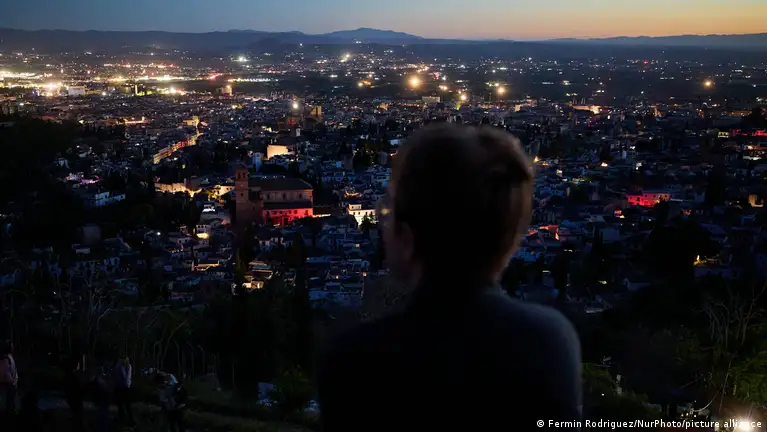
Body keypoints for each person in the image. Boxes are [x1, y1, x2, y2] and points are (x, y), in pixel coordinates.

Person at [317, 124, 582, 431]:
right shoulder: (549, 343)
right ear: (507, 239)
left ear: (407, 236)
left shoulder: (356, 361)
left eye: (388, 211)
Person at [63, 357, 85, 431]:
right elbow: (78, 388)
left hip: (72, 398)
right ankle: (78, 426)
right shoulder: (73, 377)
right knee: (78, 413)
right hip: (75, 398)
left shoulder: (69, 376)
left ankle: (77, 426)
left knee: (76, 413)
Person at [113, 356, 134, 425]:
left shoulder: (122, 367)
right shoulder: (127, 367)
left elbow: (124, 378)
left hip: (122, 388)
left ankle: (127, 419)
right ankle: (125, 419)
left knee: (123, 404)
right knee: (123, 404)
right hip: (124, 387)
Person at [0, 340, 18, 415]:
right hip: (7, 384)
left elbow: (13, 369)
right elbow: (5, 372)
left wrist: (15, 379)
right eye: (11, 346)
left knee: (11, 402)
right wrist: (12, 381)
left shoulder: (10, 356)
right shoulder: (4, 358)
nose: (13, 347)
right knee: (7, 403)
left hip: (11, 383)